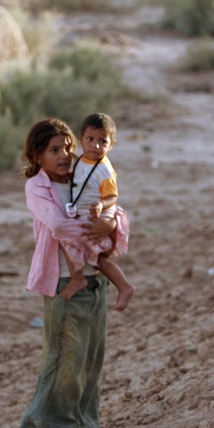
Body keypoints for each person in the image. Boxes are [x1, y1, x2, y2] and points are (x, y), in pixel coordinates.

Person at [16, 117, 127, 428]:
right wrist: (99, 231)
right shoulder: (38, 186)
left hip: (95, 281)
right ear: (38, 156)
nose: (64, 154)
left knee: (92, 354)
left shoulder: (82, 175)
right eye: (54, 150)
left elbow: (115, 208)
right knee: (64, 355)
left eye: (67, 147)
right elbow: (59, 226)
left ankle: (86, 421)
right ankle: (50, 424)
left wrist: (108, 222)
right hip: (65, 281)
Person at [59, 113, 134, 312]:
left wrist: (101, 205)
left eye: (103, 141)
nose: (95, 145)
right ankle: (82, 278)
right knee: (76, 245)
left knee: (96, 257)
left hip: (99, 215)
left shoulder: (105, 170)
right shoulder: (80, 160)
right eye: (90, 139)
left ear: (112, 145)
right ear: (81, 138)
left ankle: (122, 286)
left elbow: (112, 196)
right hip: (84, 211)